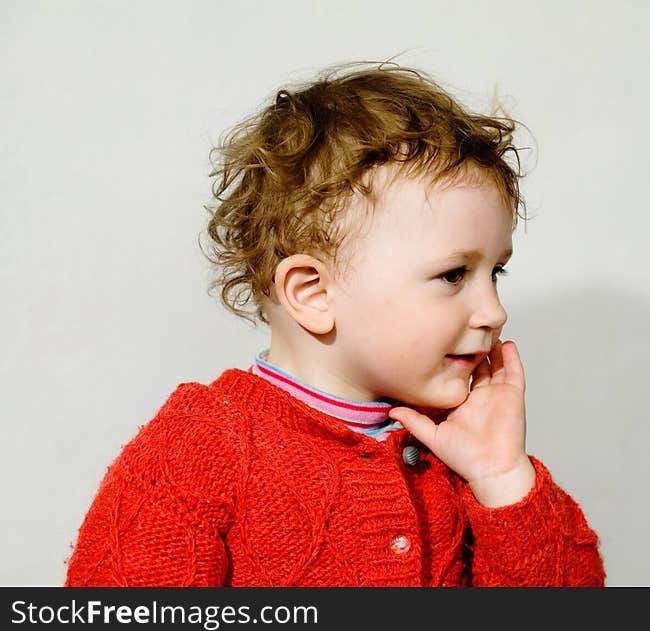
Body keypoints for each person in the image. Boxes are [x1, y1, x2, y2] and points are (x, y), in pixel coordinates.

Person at [64, 60, 606, 587]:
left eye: (497, 273)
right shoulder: (202, 448)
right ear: (313, 292)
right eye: (453, 275)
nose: (494, 311)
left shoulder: (461, 453)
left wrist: (503, 478)